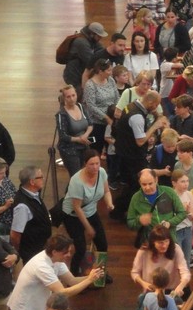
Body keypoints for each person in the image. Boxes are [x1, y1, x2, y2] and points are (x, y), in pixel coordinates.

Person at [8, 235, 103, 310]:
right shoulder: (41, 266)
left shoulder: (57, 260)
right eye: (65, 252)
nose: (69, 255)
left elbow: (72, 281)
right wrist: (89, 280)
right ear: (54, 252)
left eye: (69, 251)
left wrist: (92, 276)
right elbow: (62, 293)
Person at [112, 91, 170, 219]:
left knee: (132, 184)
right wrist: (155, 126)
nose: (156, 108)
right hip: (133, 156)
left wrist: (155, 115)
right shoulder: (137, 116)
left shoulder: (132, 106)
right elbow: (140, 141)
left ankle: (121, 209)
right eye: (155, 105)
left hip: (124, 151)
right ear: (149, 102)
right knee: (138, 184)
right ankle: (119, 210)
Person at [61, 150, 113, 278]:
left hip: (91, 211)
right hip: (72, 216)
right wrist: (88, 227)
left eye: (97, 163)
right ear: (85, 164)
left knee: (102, 244)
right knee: (80, 248)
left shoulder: (101, 172)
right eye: (91, 164)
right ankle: (74, 276)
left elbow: (106, 191)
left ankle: (101, 274)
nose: (95, 167)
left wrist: (109, 203)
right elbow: (77, 207)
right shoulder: (77, 181)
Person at [126, 169, 186, 247]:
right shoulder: (136, 198)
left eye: (150, 183)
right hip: (149, 243)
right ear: (139, 183)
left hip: (169, 240)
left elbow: (182, 213)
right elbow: (130, 223)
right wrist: (139, 220)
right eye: (144, 184)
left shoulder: (169, 192)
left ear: (156, 180)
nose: (147, 187)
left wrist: (169, 223)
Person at [10, 165, 52, 263]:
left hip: (40, 247)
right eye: (40, 177)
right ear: (32, 182)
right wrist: (19, 252)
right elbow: (15, 235)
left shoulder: (33, 194)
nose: (43, 179)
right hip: (31, 253)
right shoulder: (22, 206)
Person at [56, 85, 93, 177]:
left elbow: (90, 124)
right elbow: (63, 135)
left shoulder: (81, 106)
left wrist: (86, 135)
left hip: (84, 145)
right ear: (64, 98)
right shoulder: (61, 114)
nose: (72, 99)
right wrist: (79, 139)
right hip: (69, 149)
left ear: (76, 95)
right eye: (68, 97)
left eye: (73, 95)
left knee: (84, 173)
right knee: (76, 176)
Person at [62, 23, 108, 94]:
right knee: (79, 95)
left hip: (81, 73)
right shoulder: (81, 43)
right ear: (92, 34)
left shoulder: (91, 40)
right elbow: (90, 61)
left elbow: (101, 50)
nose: (100, 38)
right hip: (74, 76)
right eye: (99, 36)